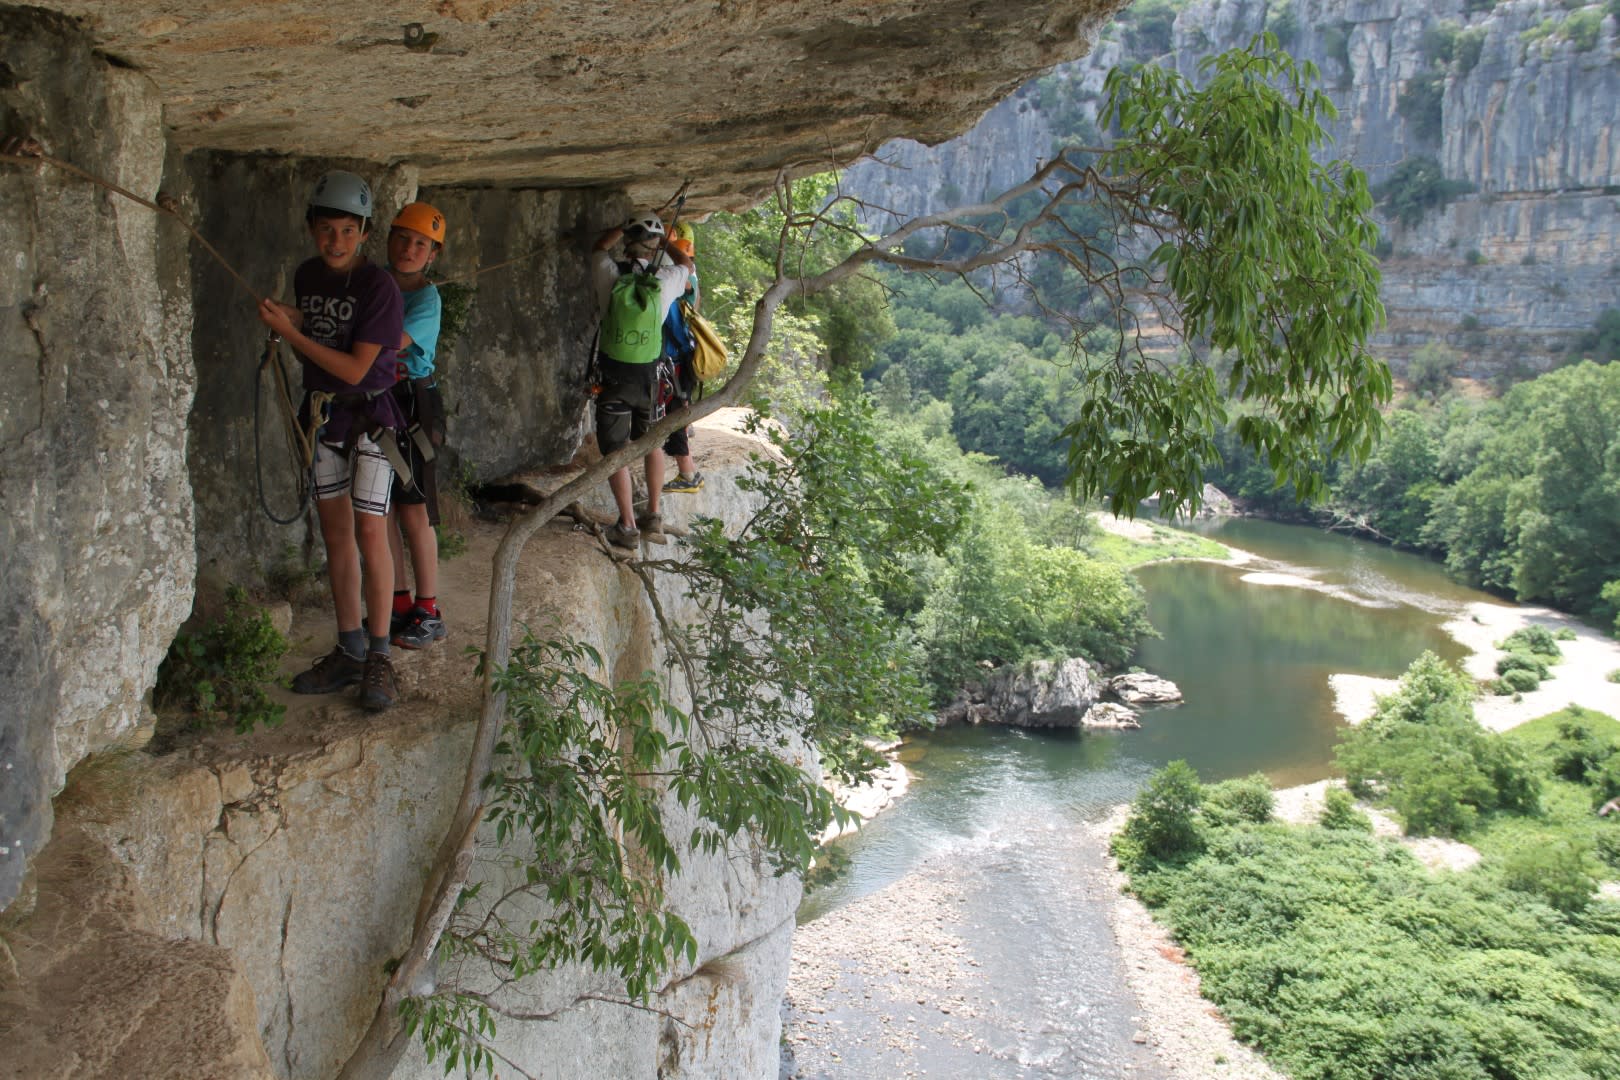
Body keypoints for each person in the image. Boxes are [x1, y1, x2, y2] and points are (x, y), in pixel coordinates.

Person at [257, 170, 406, 711]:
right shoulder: (308, 276)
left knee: (370, 532)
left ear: (364, 234)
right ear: (312, 229)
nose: (335, 241)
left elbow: (353, 366)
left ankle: (381, 657)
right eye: (326, 230)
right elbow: (321, 336)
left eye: (347, 231)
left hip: (368, 417)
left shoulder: (378, 288)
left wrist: (294, 334)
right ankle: (349, 648)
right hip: (323, 419)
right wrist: (292, 319)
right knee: (336, 536)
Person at [591, 211, 693, 548]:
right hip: (651, 381)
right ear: (652, 249)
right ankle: (653, 516)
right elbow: (687, 265)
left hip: (614, 380)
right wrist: (665, 240)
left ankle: (628, 527)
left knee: (614, 452)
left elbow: (598, 248)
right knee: (652, 444)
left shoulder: (608, 274)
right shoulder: (665, 280)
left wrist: (620, 227)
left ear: (627, 244)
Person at [382, 202, 450, 650]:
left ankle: (428, 610)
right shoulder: (378, 284)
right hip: (377, 399)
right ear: (388, 240)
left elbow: (390, 342)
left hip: (412, 402)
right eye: (403, 239)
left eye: (420, 244)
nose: (409, 249)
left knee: (413, 507)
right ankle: (399, 601)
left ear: (432, 255)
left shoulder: (426, 298)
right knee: (381, 506)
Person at [661, 222, 704, 495]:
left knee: (673, 413)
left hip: (674, 358)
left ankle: (687, 473)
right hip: (685, 355)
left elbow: (670, 326)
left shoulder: (675, 285)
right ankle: (688, 470)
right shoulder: (692, 279)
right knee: (679, 408)